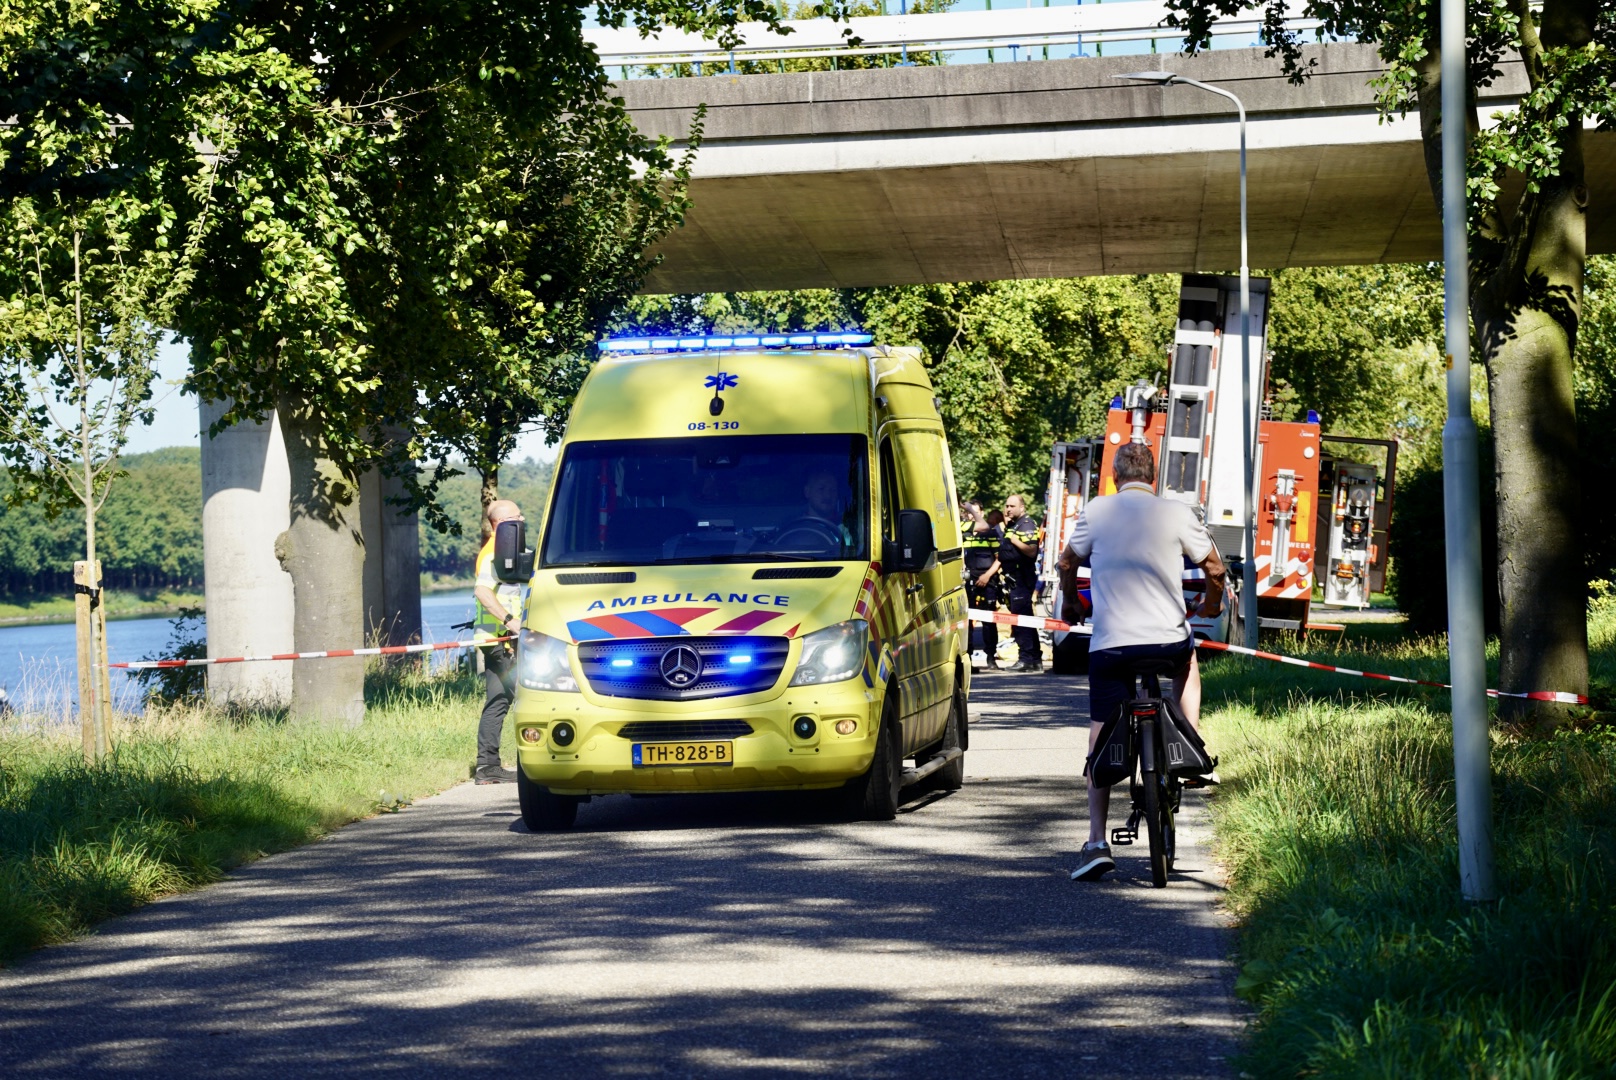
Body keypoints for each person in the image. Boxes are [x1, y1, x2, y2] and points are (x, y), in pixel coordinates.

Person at [1061, 442, 1225, 881]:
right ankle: (1191, 746)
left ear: (1116, 477)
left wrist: (1071, 604)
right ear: (1154, 477)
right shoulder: (1176, 512)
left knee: (1100, 733)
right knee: (1187, 664)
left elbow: (1067, 562)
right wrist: (1210, 604)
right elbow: (1215, 569)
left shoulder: (1097, 511)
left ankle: (1096, 842)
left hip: (1112, 647)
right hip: (1167, 642)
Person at [472, 499, 529, 784]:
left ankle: (487, 766)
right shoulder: (493, 553)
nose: (523, 520)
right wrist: (510, 621)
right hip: (501, 639)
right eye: (518, 516)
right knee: (528, 695)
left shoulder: (505, 549)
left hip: (494, 639)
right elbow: (482, 591)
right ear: (505, 523)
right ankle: (537, 763)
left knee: (498, 700)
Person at [999, 494, 1044, 672]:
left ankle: (1026, 659)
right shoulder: (1014, 524)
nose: (1008, 509)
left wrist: (1014, 540)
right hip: (1013, 577)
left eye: (1012, 506)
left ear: (1022, 507)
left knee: (1021, 620)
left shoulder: (1026, 525)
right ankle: (1034, 659)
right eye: (1007, 506)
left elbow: (1032, 551)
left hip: (1022, 578)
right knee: (1025, 618)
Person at [959, 499, 1003, 669]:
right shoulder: (962, 532)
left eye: (975, 512)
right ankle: (968, 659)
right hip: (968, 580)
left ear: (981, 513)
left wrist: (987, 576)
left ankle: (991, 658)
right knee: (967, 622)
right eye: (969, 512)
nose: (971, 516)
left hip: (987, 581)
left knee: (989, 621)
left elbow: (999, 559)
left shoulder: (990, 533)